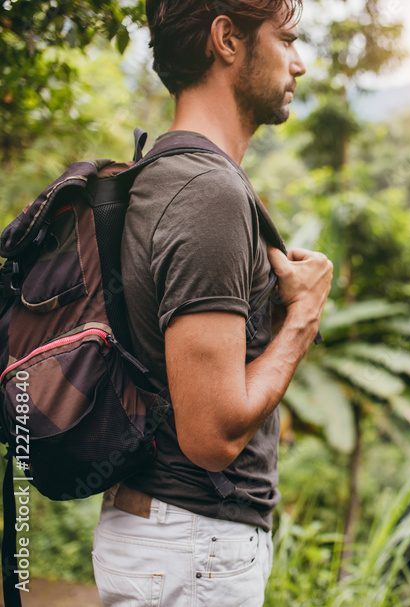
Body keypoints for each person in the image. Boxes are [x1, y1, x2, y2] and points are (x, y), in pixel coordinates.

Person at [90, 0, 332, 604]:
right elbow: (211, 434)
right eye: (286, 39)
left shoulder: (161, 170)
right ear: (227, 40)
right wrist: (301, 319)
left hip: (168, 539)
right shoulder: (209, 194)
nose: (298, 64)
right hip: (191, 544)